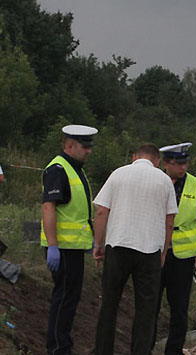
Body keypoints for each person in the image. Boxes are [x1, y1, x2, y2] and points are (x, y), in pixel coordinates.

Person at [92, 143, 178, 355]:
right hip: (149, 252)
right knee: (146, 310)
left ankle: (103, 351)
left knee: (109, 304)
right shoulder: (164, 180)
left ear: (134, 157)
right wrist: (164, 252)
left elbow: (102, 212)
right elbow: (169, 221)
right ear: (157, 160)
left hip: (118, 246)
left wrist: (98, 244)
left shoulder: (118, 174)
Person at [41, 124, 98, 355]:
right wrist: (53, 245)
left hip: (72, 246)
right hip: (62, 247)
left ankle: (62, 344)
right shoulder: (58, 169)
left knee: (70, 298)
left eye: (89, 147)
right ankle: (57, 348)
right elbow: (48, 206)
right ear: (69, 145)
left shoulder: (76, 169)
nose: (89, 151)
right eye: (84, 146)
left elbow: (75, 210)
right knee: (64, 298)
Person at [153, 142, 196, 354]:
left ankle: (174, 351)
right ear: (166, 164)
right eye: (179, 164)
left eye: (186, 163)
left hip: (183, 258)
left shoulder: (195, 185)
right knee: (150, 306)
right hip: (155, 253)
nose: (184, 167)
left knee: (179, 308)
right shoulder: (154, 182)